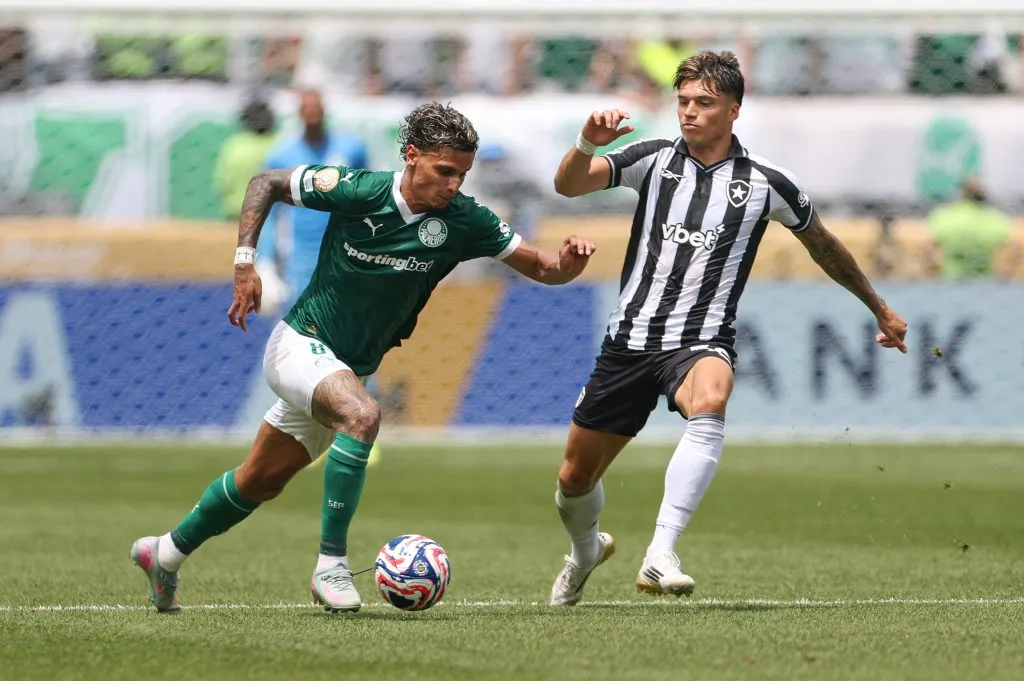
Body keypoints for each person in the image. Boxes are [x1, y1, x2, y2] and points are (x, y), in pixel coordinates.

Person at [129, 102, 597, 614]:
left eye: (462, 175)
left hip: (349, 368)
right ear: (412, 157)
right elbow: (264, 183)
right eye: (444, 171)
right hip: (300, 342)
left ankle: (165, 554)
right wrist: (245, 264)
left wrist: (568, 263)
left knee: (259, 480)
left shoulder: (465, 220)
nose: (453, 185)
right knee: (363, 414)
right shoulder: (358, 190)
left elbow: (545, 268)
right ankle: (330, 565)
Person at [547, 50, 909, 606]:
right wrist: (587, 144)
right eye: (683, 102)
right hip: (630, 341)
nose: (689, 113)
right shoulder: (651, 159)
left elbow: (825, 247)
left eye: (704, 103)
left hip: (700, 339)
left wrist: (878, 308)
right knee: (574, 479)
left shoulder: (767, 182)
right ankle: (585, 551)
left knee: (711, 400)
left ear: (734, 110)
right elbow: (569, 185)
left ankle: (660, 552)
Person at [258, 88, 369, 316]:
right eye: (306, 108)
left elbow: (369, 197)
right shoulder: (281, 156)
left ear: (324, 110)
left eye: (316, 107)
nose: (312, 113)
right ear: (299, 113)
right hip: (300, 257)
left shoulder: (351, 149)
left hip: (345, 252)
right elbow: (270, 213)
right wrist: (265, 262)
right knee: (298, 324)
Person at [924, 178, 1021, 280]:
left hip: (951, 281)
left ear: (961, 194)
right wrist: (1005, 276)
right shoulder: (995, 219)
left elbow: (927, 249)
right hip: (986, 284)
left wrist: (934, 275)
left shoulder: (944, 217)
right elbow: (1015, 250)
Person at [213, 97, 277, 222]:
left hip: (237, 215)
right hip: (270, 217)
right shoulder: (280, 145)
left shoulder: (234, 145)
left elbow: (222, 182)